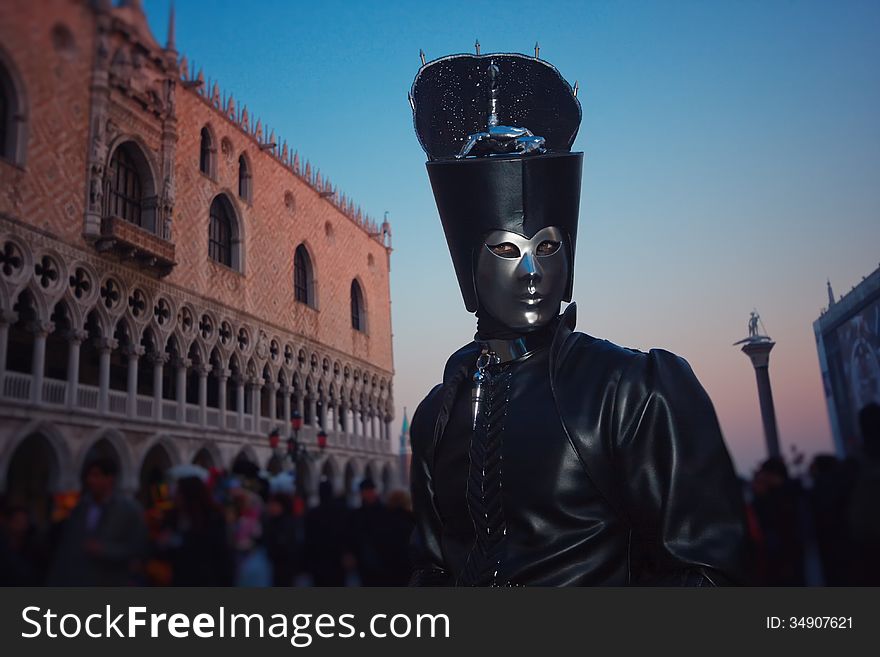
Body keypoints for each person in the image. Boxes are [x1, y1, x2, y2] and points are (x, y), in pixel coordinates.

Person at [407, 51, 748, 586]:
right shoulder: (436, 417)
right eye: (504, 249)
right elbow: (428, 571)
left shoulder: (633, 390)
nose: (531, 270)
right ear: (468, 266)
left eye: (546, 246)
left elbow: (710, 571)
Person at [47, 457, 147, 586]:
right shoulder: (79, 508)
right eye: (89, 476)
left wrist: (105, 550)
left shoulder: (130, 511)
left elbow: (138, 549)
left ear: (110, 479)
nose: (90, 481)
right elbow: (67, 548)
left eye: (96, 476)